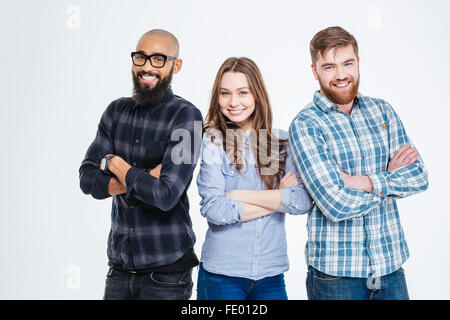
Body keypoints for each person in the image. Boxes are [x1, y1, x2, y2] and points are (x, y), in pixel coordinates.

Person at [288, 26, 429, 300]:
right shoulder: (306, 124)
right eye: (329, 67)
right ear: (315, 72)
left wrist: (361, 182)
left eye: (347, 63)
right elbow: (334, 204)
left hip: (391, 269)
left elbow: (419, 176)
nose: (341, 75)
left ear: (358, 62)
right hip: (337, 278)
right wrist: (388, 179)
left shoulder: (383, 110)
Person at [79, 29, 203, 300]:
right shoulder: (115, 111)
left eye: (159, 59)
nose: (147, 66)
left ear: (176, 65)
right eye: (141, 57)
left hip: (167, 274)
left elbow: (166, 195)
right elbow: (87, 180)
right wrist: (147, 177)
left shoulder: (188, 118)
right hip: (119, 270)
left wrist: (115, 163)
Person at [196, 57, 313, 300]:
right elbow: (215, 209)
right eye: (225, 93)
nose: (233, 102)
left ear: (257, 95)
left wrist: (239, 196)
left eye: (242, 92)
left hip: (270, 275)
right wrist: (278, 198)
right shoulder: (213, 142)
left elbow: (302, 201)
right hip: (222, 275)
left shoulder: (283, 143)